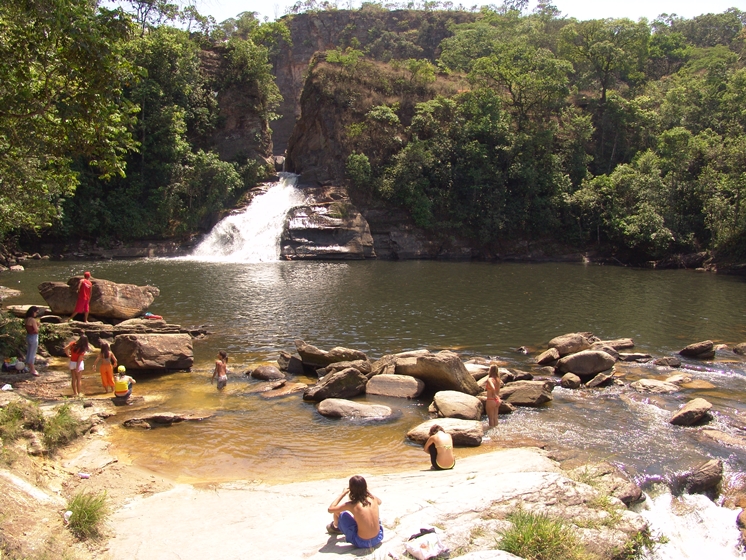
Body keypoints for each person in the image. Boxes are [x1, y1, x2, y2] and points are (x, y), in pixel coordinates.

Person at [327, 475, 384, 549]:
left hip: (362, 542)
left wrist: (343, 494)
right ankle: (336, 527)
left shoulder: (352, 504)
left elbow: (330, 509)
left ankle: (335, 527)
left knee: (341, 513)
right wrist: (365, 490)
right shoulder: (373, 498)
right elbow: (380, 502)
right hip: (378, 537)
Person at [24, 306, 40, 377]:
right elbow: (36, 330)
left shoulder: (26, 319)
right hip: (33, 337)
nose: (36, 314)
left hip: (28, 336)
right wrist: (38, 325)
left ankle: (27, 366)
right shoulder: (33, 320)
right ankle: (32, 369)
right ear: (33, 312)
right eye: (36, 312)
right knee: (32, 353)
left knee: (29, 352)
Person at [485, 362, 502, 428]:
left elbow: (493, 387)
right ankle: (496, 432)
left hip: (491, 400)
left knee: (491, 418)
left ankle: (491, 433)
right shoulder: (498, 380)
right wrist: (496, 396)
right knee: (495, 418)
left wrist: (494, 394)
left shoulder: (490, 379)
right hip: (497, 400)